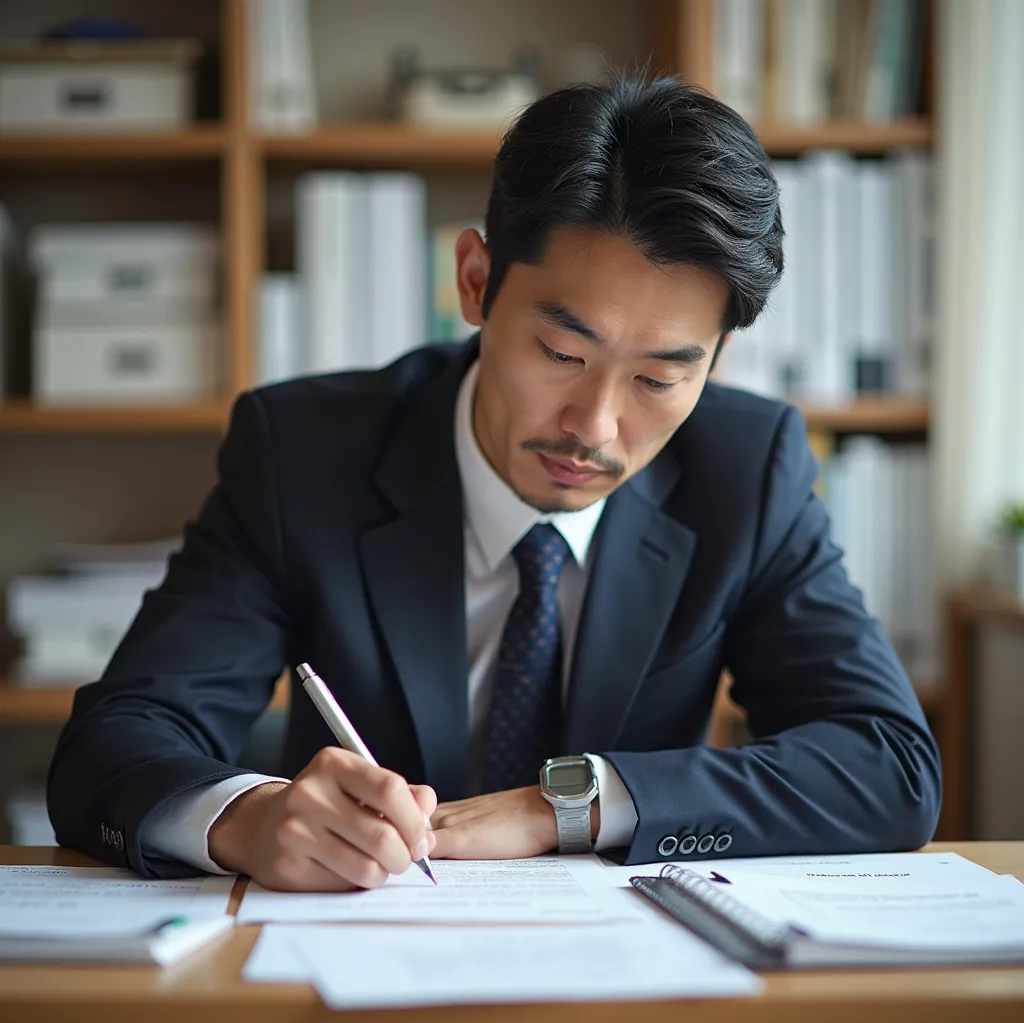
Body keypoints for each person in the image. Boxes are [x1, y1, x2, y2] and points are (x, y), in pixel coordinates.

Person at [47, 74, 941, 888]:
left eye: (660, 379)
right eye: (561, 352)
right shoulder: (304, 454)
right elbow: (113, 747)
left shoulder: (748, 468)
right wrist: (246, 818)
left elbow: (889, 766)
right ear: (475, 282)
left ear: (715, 361)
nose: (594, 427)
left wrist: (566, 805)